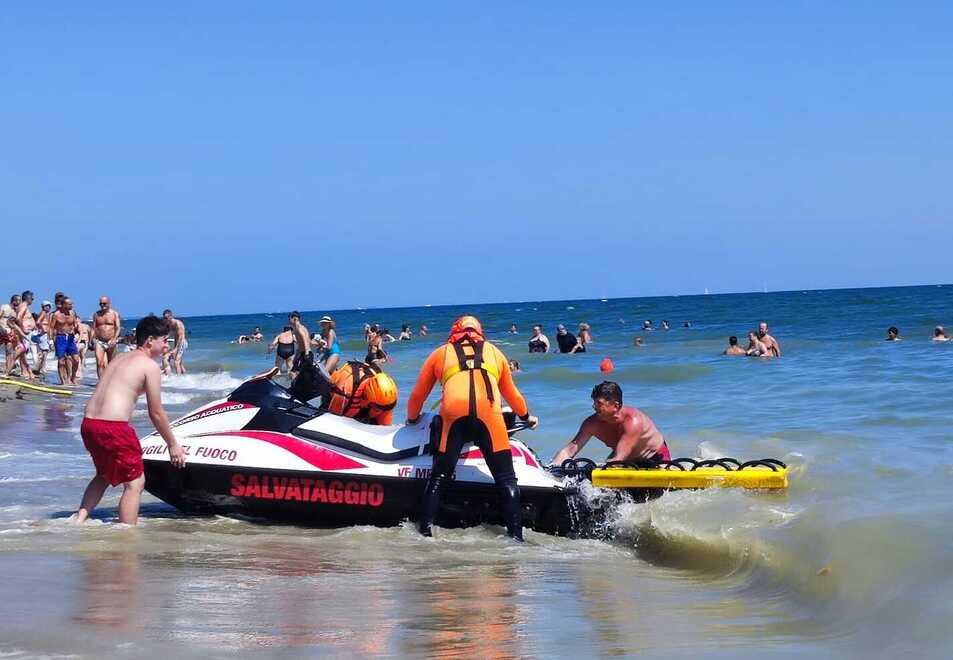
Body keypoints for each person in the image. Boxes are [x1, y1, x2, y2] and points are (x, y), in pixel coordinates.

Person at [406, 315, 537, 540]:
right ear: (479, 331)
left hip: (453, 415)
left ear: (454, 331)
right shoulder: (495, 353)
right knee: (506, 479)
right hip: (490, 416)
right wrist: (526, 416)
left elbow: (418, 396)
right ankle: (516, 537)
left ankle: (424, 532)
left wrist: (412, 419)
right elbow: (513, 395)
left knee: (439, 477)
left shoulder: (441, 353)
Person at [74, 315, 186, 525]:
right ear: (150, 340)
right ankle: (127, 533)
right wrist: (173, 445)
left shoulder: (119, 359)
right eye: (164, 341)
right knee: (135, 482)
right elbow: (156, 413)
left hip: (89, 424)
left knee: (104, 475)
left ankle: (79, 518)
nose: (166, 346)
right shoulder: (149, 366)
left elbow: (122, 389)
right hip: (113, 428)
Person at [551, 381, 670, 466]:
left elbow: (618, 459)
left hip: (655, 458)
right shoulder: (591, 423)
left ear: (616, 406)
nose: (594, 407)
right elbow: (568, 451)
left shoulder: (633, 421)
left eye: (599, 404)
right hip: (626, 459)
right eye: (594, 403)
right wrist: (552, 470)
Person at [324, 360, 398, 425]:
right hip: (335, 398)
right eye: (377, 409)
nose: (380, 412)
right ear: (367, 397)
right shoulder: (345, 390)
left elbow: (384, 426)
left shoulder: (384, 401)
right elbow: (333, 422)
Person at [51, 296, 81, 385]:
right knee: (61, 360)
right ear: (63, 305)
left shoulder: (72, 313)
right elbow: (51, 328)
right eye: (69, 304)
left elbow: (75, 323)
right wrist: (51, 340)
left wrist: (77, 330)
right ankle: (63, 381)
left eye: (72, 304)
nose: (72, 305)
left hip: (71, 338)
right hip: (61, 337)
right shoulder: (56, 315)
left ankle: (72, 378)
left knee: (76, 359)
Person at [2, 294, 32, 380]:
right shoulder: (7, 309)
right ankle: (29, 374)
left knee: (13, 355)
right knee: (21, 358)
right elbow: (17, 326)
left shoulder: (14, 316)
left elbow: (17, 328)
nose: (20, 302)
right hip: (16, 338)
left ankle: (7, 373)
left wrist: (24, 335)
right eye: (19, 301)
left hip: (19, 339)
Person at [92, 296, 122, 379]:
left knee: (111, 363)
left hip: (111, 340)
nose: (102, 305)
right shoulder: (96, 314)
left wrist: (114, 338)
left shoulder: (114, 314)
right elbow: (94, 327)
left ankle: (110, 381)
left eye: (104, 303)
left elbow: (118, 327)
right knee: (99, 362)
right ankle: (101, 382)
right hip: (99, 341)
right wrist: (92, 338)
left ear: (109, 303)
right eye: (100, 303)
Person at [16, 291, 39, 368]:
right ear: (27, 298)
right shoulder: (24, 306)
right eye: (32, 298)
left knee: (24, 351)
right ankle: (13, 365)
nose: (32, 300)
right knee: (22, 350)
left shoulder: (24, 306)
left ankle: (23, 369)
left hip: (27, 332)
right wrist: (22, 329)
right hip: (25, 332)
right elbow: (18, 318)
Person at [162, 309, 188, 374]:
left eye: (166, 318)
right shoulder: (169, 324)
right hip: (177, 343)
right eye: (164, 318)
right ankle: (185, 377)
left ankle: (178, 380)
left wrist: (176, 348)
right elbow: (170, 333)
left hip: (182, 343)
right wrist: (166, 337)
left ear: (171, 316)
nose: (165, 319)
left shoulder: (177, 323)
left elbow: (181, 337)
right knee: (179, 362)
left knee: (176, 362)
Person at [288, 311, 312, 377]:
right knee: (296, 372)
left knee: (294, 373)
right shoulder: (299, 327)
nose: (289, 321)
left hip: (306, 354)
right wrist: (296, 356)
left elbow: (304, 339)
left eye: (289, 319)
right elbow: (306, 342)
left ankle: (295, 386)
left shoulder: (299, 327)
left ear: (294, 319)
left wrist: (306, 353)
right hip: (303, 353)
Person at [33, 300, 52, 374]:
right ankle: (41, 368)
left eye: (49, 306)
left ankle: (40, 367)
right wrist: (43, 329)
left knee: (43, 352)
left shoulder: (47, 314)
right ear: (43, 307)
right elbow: (38, 322)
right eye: (47, 306)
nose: (49, 307)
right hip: (43, 334)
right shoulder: (44, 313)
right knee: (44, 352)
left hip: (44, 334)